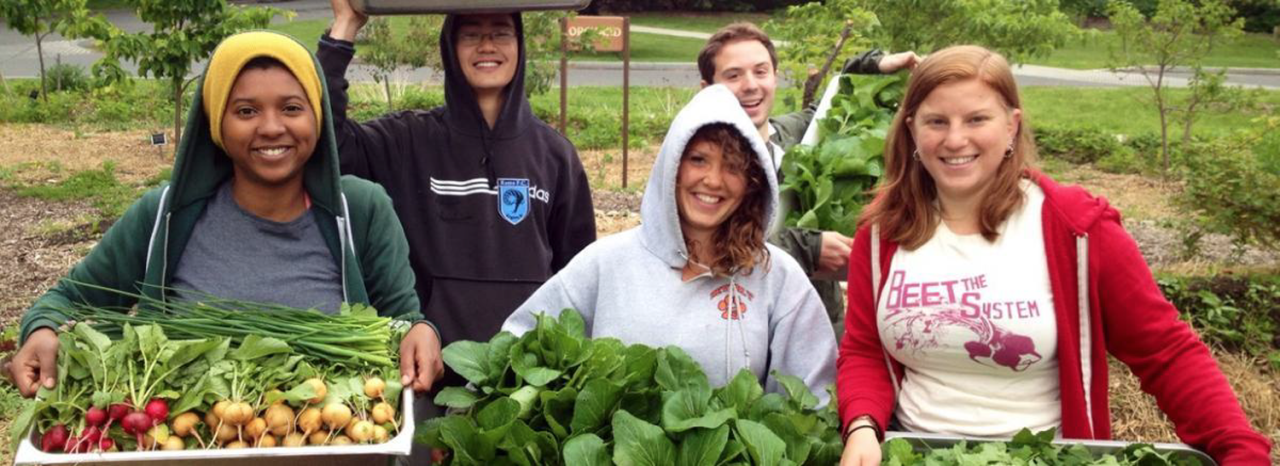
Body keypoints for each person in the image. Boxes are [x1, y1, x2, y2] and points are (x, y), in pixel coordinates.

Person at [836, 45, 1272, 465]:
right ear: (910, 127)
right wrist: (861, 425)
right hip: (916, 453)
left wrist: (1239, 450)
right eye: (936, 121)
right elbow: (865, 349)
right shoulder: (884, 233)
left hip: (1044, 456)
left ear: (1011, 125)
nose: (955, 139)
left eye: (976, 119)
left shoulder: (1075, 227)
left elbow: (1165, 352)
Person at [7, 31, 442, 397]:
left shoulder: (359, 210)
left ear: (318, 117)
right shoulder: (165, 215)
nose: (272, 127)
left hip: (336, 447)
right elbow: (67, 300)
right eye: (246, 111)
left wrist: (422, 333)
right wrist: (43, 330)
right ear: (217, 123)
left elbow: (402, 318)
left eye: (292, 108)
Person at [320, 2, 597, 390]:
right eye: (471, 35)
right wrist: (345, 26)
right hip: (431, 377)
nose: (487, 45)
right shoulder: (409, 140)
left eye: (501, 32)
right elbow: (323, 142)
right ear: (450, 48)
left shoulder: (554, 154)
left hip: (529, 383)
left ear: (520, 46)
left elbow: (579, 275)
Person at [502, 85, 836, 402]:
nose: (713, 180)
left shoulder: (777, 277)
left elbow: (809, 400)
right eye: (698, 160)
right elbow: (520, 344)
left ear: (753, 182)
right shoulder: (605, 264)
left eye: (733, 167)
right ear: (671, 166)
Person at [697, 22, 920, 334]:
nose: (750, 85)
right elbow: (701, 244)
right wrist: (807, 248)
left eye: (761, 72)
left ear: (774, 77)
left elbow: (833, 102)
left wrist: (873, 66)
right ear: (707, 88)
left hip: (816, 320)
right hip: (734, 323)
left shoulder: (793, 134)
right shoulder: (695, 165)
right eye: (733, 75)